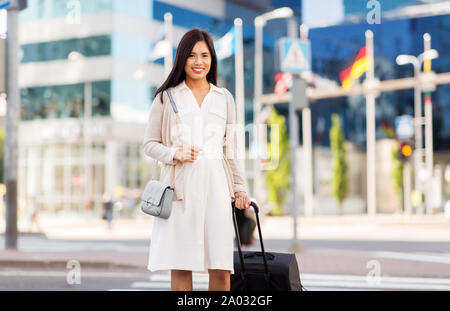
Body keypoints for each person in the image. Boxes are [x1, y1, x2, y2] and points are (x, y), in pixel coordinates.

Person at [143, 28, 251, 291]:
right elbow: (149, 145)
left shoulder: (224, 98)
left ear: (212, 59)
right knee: (181, 266)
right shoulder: (166, 97)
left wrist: (240, 187)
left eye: (204, 55)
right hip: (180, 192)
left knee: (221, 268)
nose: (198, 61)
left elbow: (233, 149)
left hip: (217, 190)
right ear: (182, 59)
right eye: (191, 55)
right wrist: (174, 153)